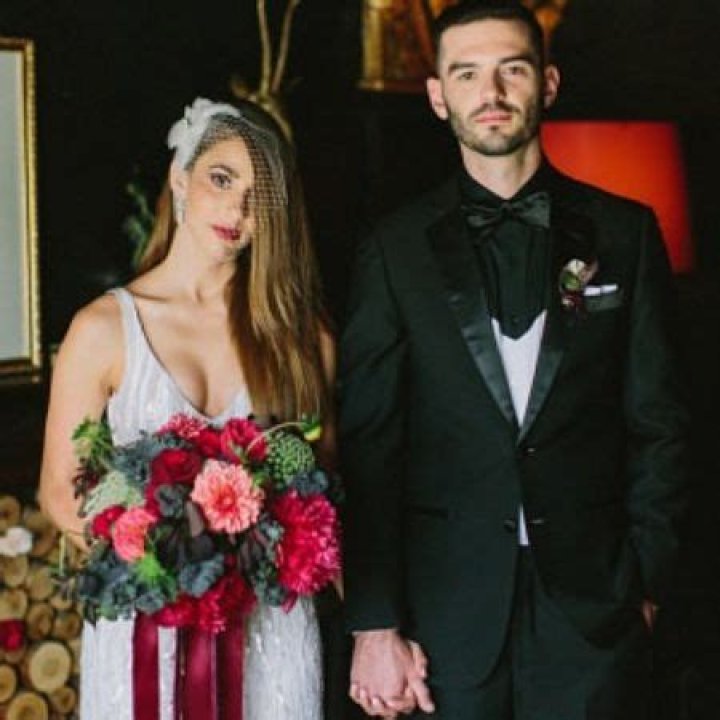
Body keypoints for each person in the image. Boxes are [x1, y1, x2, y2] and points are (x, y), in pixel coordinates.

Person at [339, 1, 687, 718]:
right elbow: (370, 444)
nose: (490, 93)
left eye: (513, 70)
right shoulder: (392, 250)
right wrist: (374, 624)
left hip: (595, 614)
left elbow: (662, 424)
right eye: (466, 74)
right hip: (445, 618)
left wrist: (646, 585)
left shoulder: (626, 234)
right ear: (438, 96)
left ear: (548, 84)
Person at [38, 97, 335, 720]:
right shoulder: (102, 329)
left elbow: (328, 495)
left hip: (269, 631)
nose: (237, 210)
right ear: (179, 178)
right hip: (148, 625)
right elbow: (61, 494)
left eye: (258, 196)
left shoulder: (302, 340)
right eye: (221, 179)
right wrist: (167, 555)